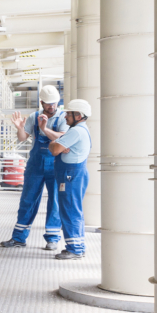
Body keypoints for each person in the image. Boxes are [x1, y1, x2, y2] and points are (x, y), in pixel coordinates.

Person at [0, 84, 67, 250]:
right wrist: (20, 128)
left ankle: (52, 238)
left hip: (55, 165)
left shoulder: (63, 117)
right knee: (27, 200)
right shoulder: (34, 117)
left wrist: (45, 129)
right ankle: (18, 238)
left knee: (55, 202)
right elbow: (23, 138)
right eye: (48, 103)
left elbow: (63, 137)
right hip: (35, 165)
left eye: (54, 103)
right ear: (42, 102)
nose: (51, 106)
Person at [48, 99, 93, 260]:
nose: (65, 116)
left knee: (70, 210)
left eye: (69, 113)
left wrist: (54, 143)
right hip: (75, 174)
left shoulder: (76, 132)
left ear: (78, 115)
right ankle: (77, 246)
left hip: (70, 176)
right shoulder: (82, 130)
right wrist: (58, 144)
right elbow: (58, 149)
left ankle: (75, 248)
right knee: (73, 210)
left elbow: (54, 150)